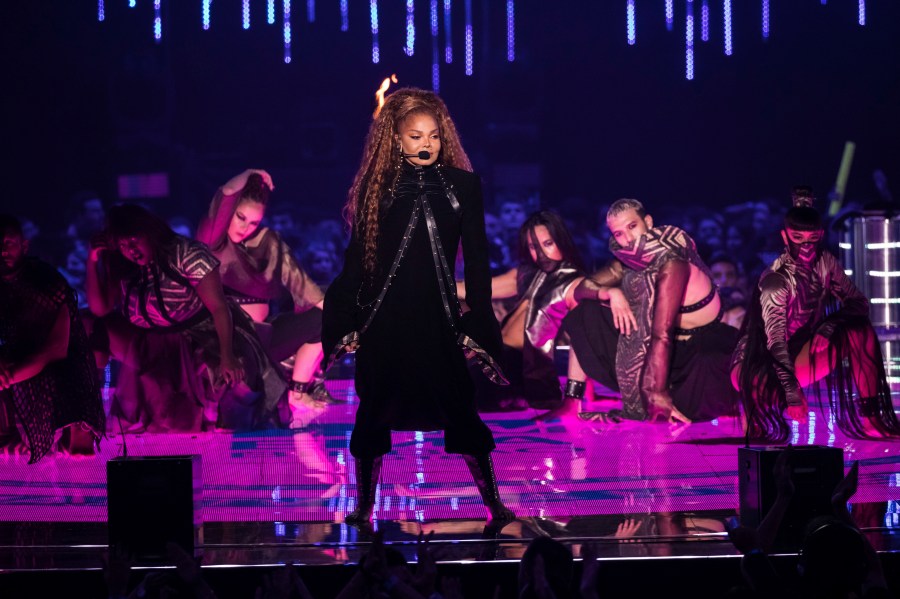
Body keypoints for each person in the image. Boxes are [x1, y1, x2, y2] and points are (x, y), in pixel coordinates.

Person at [322, 87, 514, 526]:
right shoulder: (379, 187)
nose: (426, 144)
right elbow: (359, 258)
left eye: (433, 136)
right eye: (415, 136)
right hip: (384, 319)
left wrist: (479, 319)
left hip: (438, 318)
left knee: (460, 409)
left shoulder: (465, 186)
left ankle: (494, 504)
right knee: (372, 412)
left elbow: (479, 257)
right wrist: (347, 318)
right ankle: (365, 505)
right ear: (396, 139)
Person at [86, 204, 287, 432]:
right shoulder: (123, 265)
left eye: (134, 241)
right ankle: (85, 416)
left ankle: (230, 431)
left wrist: (227, 355)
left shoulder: (186, 253)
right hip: (152, 342)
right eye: (123, 245)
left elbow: (219, 308)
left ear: (149, 232)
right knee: (89, 325)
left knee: (236, 379)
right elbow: (100, 309)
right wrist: (93, 260)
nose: (131, 250)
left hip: (200, 336)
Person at [732, 187, 900, 441]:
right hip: (757, 358)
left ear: (820, 236)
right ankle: (756, 409)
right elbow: (775, 342)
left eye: (812, 239)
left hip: (800, 349)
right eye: (798, 238)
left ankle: (870, 417)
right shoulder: (776, 281)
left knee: (859, 331)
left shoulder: (826, 263)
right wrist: (792, 394)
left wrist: (829, 326)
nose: (807, 248)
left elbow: (859, 303)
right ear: (785, 237)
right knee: (760, 433)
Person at [563, 198, 740, 424]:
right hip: (663, 348)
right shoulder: (627, 262)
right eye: (618, 234)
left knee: (685, 408)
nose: (627, 238)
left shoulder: (673, 260)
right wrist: (610, 293)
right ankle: (571, 400)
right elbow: (579, 290)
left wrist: (656, 392)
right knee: (584, 312)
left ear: (648, 221)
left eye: (632, 226)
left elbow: (662, 333)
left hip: (701, 350)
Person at [196, 169, 335, 413]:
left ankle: (298, 393)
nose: (245, 227)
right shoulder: (214, 242)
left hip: (265, 341)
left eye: (254, 222)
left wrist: (344, 318)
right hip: (225, 346)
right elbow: (226, 193)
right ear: (229, 212)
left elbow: (306, 289)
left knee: (330, 310)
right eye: (240, 217)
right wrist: (250, 173)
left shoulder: (269, 242)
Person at [458, 210, 586, 413]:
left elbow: (583, 341)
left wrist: (576, 394)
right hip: (493, 355)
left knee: (452, 389)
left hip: (519, 367)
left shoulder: (575, 283)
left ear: (561, 240)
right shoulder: (527, 274)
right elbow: (472, 289)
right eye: (534, 247)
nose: (541, 254)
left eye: (548, 244)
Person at [0, 214, 104, 462]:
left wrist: (8, 376)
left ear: (24, 246)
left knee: (79, 446)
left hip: (57, 362)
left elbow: (56, 349)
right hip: (10, 358)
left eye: (8, 243)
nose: (2, 251)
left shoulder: (46, 282)